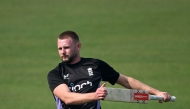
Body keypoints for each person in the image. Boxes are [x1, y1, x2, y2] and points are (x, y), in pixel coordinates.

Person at [47, 31, 171, 109]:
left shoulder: (95, 65)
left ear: (78, 46)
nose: (62, 52)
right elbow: (67, 98)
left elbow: (126, 81)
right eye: (60, 48)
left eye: (66, 48)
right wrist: (95, 95)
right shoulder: (55, 73)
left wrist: (157, 92)